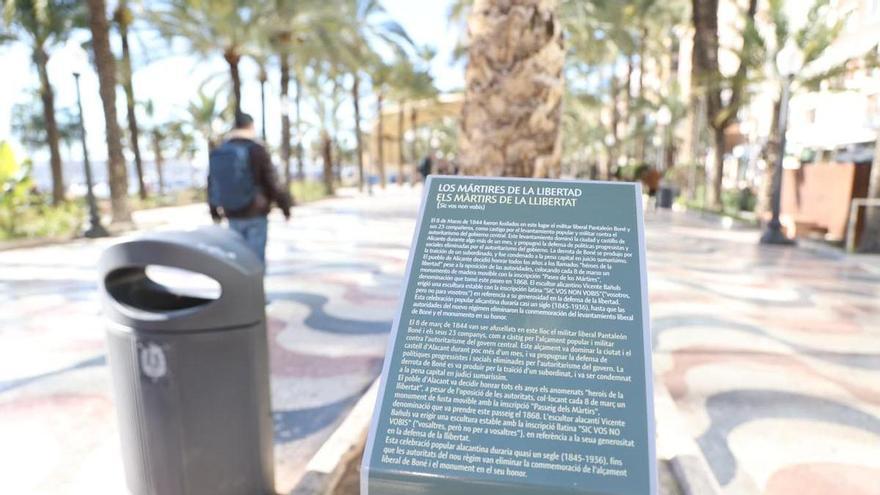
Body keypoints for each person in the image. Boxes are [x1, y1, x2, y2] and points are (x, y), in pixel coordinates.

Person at [208, 112, 291, 262]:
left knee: (239, 261)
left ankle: (241, 278)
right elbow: (271, 181)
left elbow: (212, 181)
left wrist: (214, 211)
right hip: (255, 213)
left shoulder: (221, 150)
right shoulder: (256, 149)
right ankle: (255, 278)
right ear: (250, 126)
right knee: (255, 261)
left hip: (231, 213)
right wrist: (284, 206)